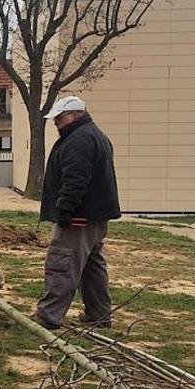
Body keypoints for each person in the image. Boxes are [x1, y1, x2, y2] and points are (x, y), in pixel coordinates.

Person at [33, 96, 121, 330]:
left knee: (62, 261)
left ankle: (49, 315)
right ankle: (99, 313)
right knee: (92, 266)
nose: (56, 123)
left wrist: (64, 209)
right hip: (94, 216)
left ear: (73, 115)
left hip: (78, 217)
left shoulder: (79, 141)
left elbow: (75, 180)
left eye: (59, 118)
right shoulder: (94, 135)